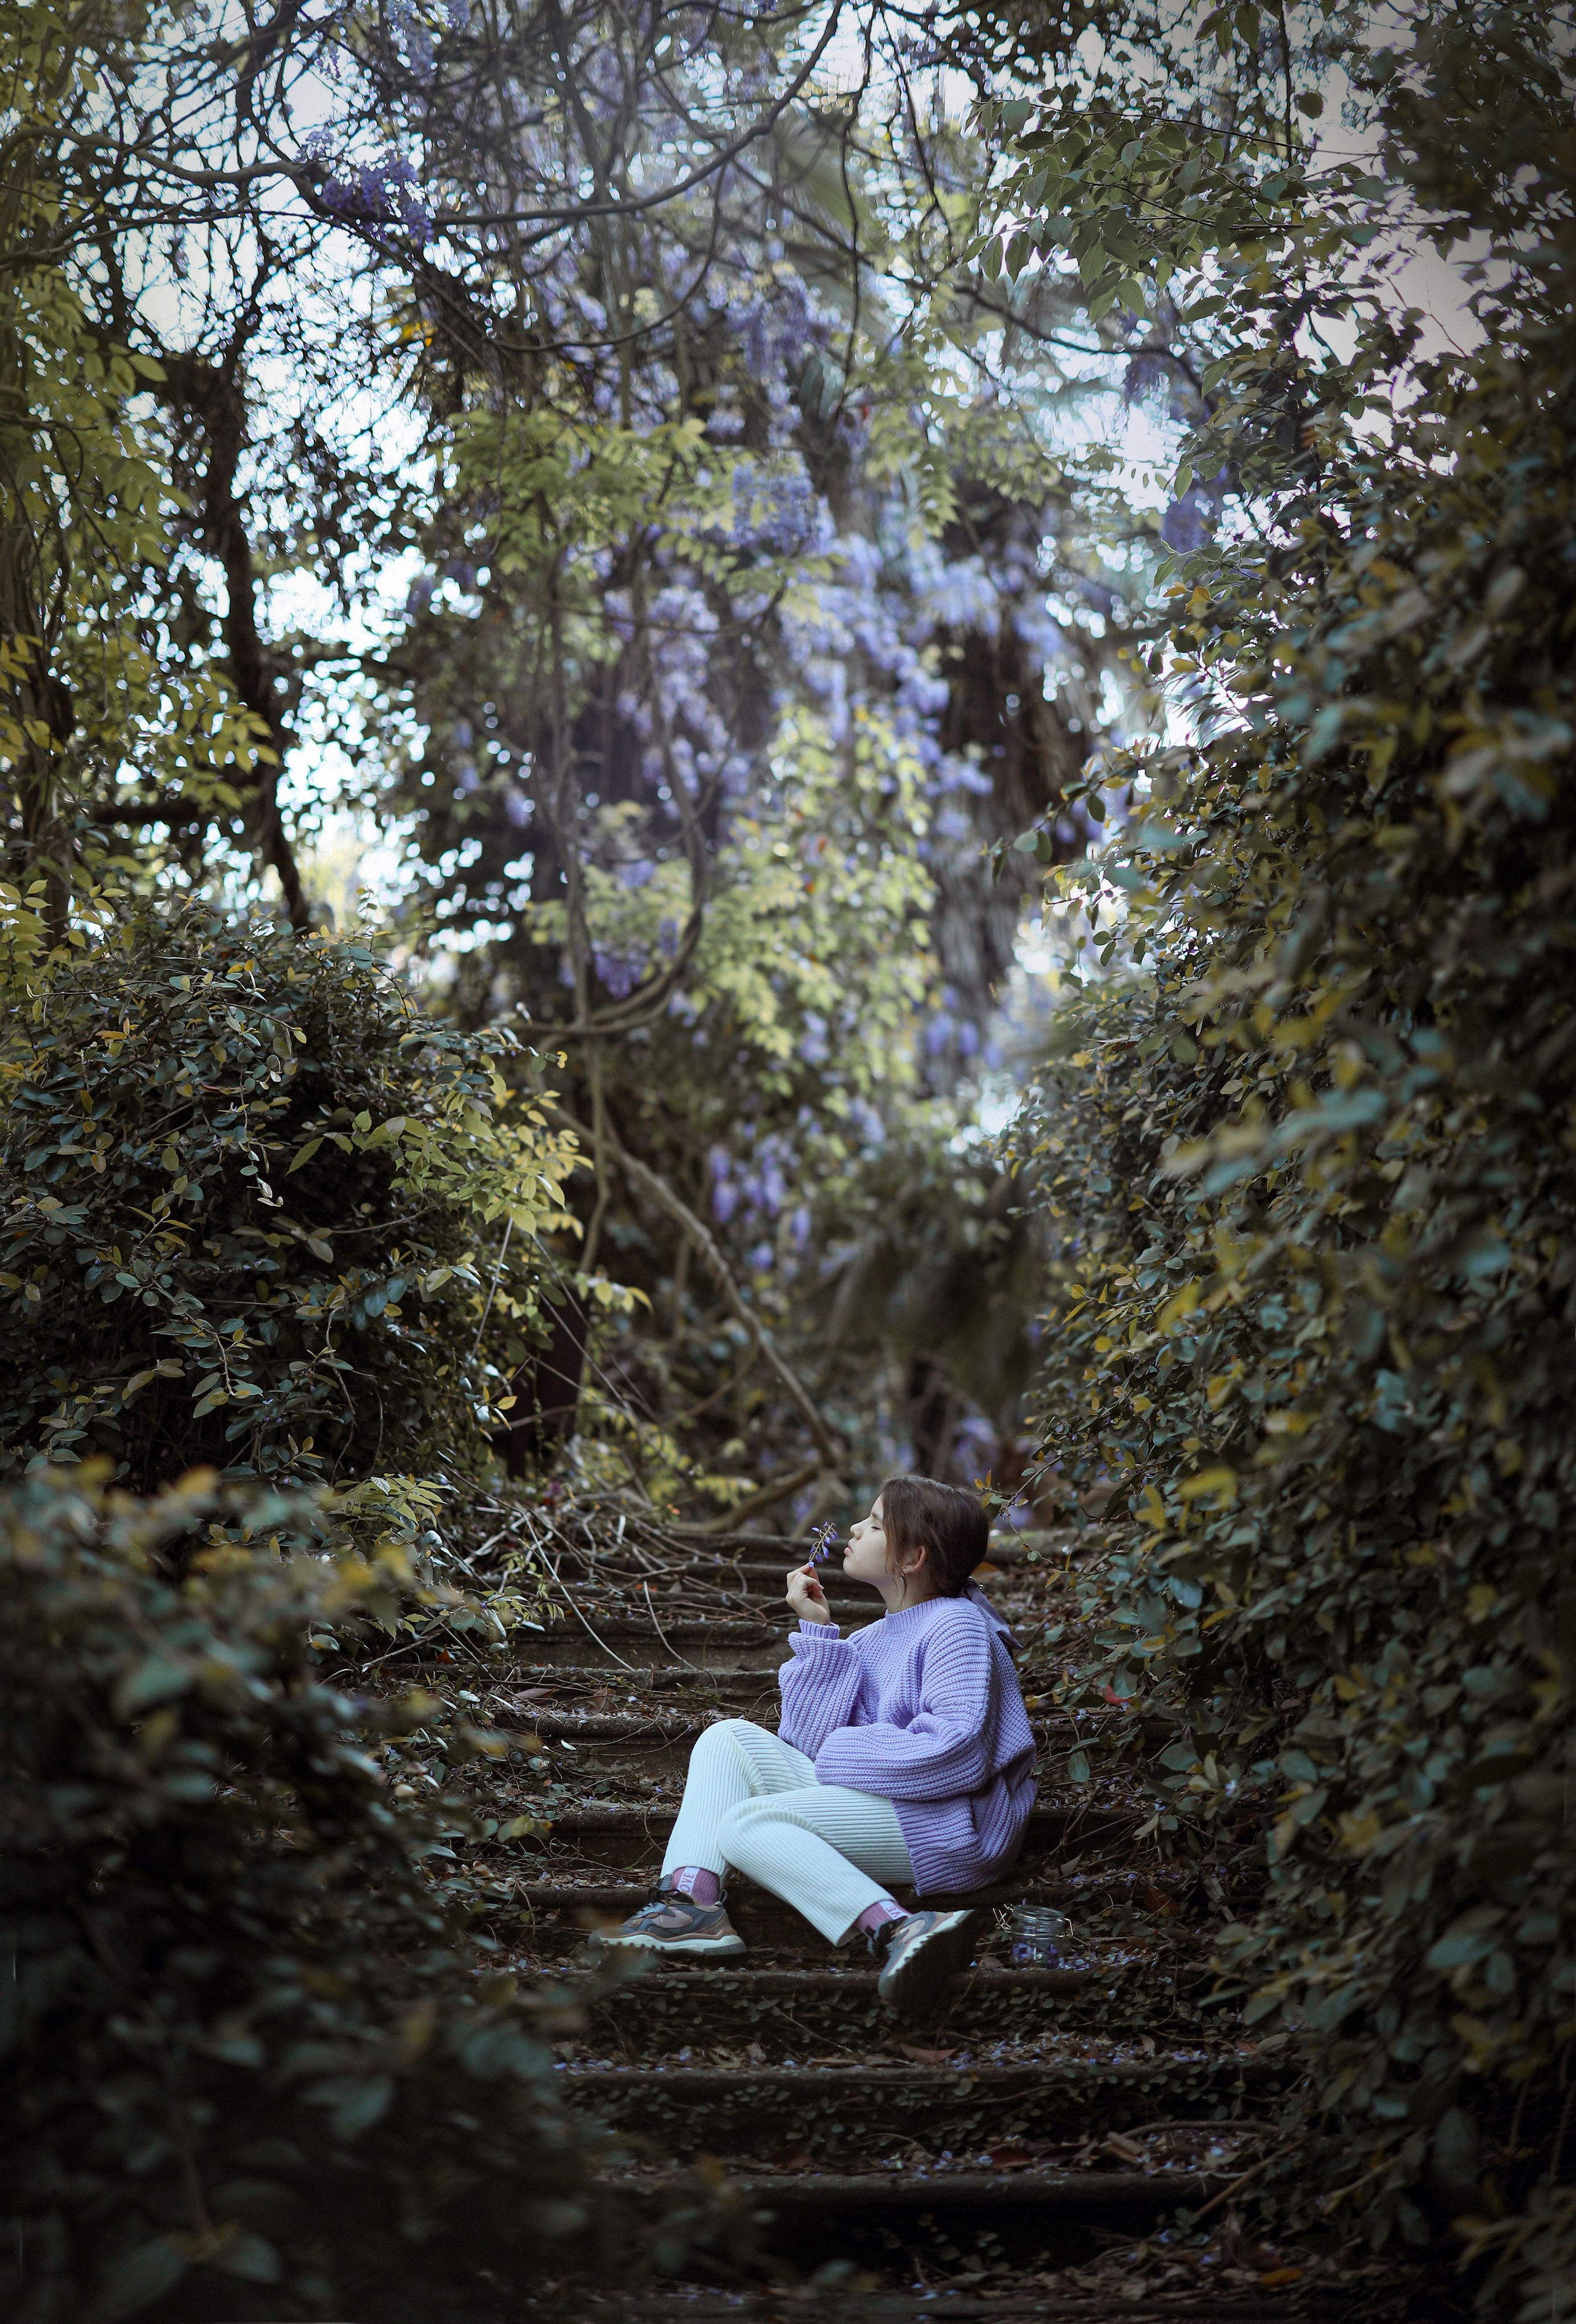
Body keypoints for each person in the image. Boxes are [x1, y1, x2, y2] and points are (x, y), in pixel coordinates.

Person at [593, 1476, 1037, 2013]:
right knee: (727, 1739)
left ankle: (898, 1927)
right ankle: (690, 1906)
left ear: (913, 1557)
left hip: (949, 1823)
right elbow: (805, 1748)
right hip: (891, 1805)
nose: (854, 1528)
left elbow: (956, 1750)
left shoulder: (957, 1625)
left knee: (747, 1824)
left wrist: (838, 1752)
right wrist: (821, 1635)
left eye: (874, 1524)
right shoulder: (874, 1637)